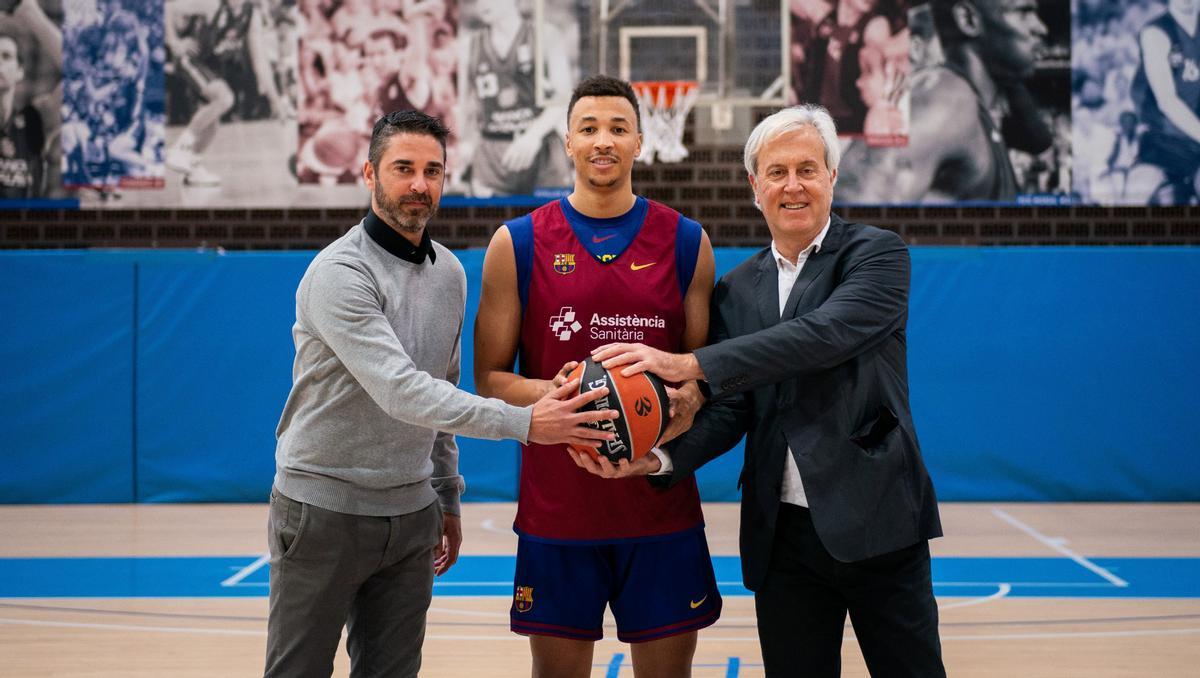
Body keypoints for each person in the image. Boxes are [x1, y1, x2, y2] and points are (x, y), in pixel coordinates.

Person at [578, 105, 946, 677]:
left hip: (879, 521)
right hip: (784, 538)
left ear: (831, 177)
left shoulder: (876, 255)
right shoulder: (737, 289)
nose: (792, 185)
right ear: (755, 186)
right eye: (776, 172)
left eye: (807, 168)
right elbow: (734, 407)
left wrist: (692, 362)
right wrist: (657, 457)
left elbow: (820, 337)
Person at [265, 110, 620, 678]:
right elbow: (402, 391)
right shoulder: (339, 273)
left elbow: (444, 386)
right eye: (403, 168)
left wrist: (447, 497)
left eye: (433, 170)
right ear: (369, 174)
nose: (419, 184)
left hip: (410, 516)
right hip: (323, 511)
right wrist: (528, 422)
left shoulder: (450, 272)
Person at [473, 75, 720, 677]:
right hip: (559, 511)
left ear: (641, 142)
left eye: (617, 129)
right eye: (589, 129)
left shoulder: (688, 242)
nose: (602, 141)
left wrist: (683, 398)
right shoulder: (518, 243)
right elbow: (489, 377)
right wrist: (569, 396)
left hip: (659, 510)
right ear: (568, 142)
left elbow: (703, 376)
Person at [838, 0, 1048, 202]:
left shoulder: (975, 103)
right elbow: (852, 200)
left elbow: (1039, 139)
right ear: (968, 19)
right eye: (1023, 11)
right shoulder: (946, 98)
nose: (1041, 27)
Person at [456, 0, 572, 196]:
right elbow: (462, 105)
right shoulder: (468, 46)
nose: (481, 4)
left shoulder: (546, 35)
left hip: (541, 147)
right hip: (492, 156)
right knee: (491, 223)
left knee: (552, 223)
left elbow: (562, 98)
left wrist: (533, 135)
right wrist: (461, 145)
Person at [1126, 0, 1200, 204]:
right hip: (1164, 139)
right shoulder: (1156, 33)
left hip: (1196, 144)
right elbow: (1167, 101)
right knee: (1136, 196)